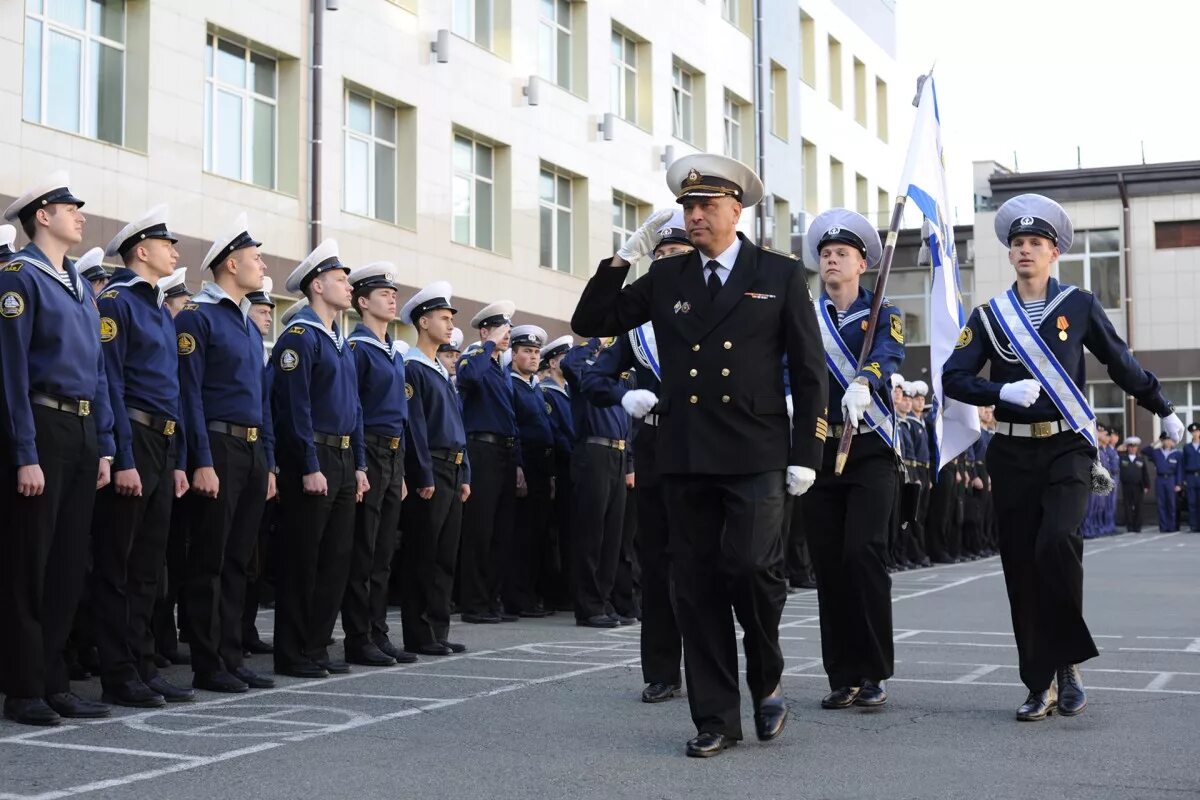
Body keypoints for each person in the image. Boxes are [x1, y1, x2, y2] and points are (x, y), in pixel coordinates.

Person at [571, 153, 828, 757]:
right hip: (685, 454)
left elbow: (810, 370)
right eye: (687, 207)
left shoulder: (780, 274)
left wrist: (807, 452)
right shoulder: (668, 278)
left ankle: (766, 676)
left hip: (756, 451)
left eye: (706, 206)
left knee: (749, 568)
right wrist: (623, 257)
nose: (694, 216)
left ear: (736, 210)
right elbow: (590, 321)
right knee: (696, 586)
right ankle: (715, 718)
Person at [942, 193, 1184, 721]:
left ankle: (1068, 662)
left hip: (1068, 447)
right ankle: (1039, 681)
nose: (1026, 250)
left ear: (1055, 253)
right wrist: (998, 394)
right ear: (1009, 253)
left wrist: (1161, 405)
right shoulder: (989, 317)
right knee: (1021, 567)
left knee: (1056, 543)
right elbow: (953, 376)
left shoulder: (1078, 304)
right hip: (1011, 451)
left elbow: (1120, 362)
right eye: (1019, 243)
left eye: (1037, 243)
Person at [0, 172, 116, 725]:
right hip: (41, 425)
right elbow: (11, 370)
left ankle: (55, 679)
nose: (81, 215)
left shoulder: (76, 285)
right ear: (41, 216)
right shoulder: (19, 277)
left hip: (80, 430)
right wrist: (24, 451)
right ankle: (24, 688)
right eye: (72, 207)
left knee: (70, 563)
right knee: (30, 562)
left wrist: (103, 446)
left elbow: (97, 373)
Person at [91, 205, 195, 707]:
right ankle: (118, 671)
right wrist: (124, 456)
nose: (175, 251)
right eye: (166, 243)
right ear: (141, 251)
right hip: (133, 435)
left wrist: (176, 460)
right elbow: (112, 383)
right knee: (119, 562)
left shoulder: (155, 304)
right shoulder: (117, 301)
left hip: (162, 441)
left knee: (150, 566)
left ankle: (143, 663)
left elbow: (169, 388)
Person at [800, 208, 903, 710]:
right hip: (819, 447)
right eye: (826, 254)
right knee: (829, 561)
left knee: (863, 553)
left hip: (870, 446)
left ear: (863, 264)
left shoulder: (884, 310)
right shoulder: (805, 315)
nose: (832, 260)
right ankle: (842, 673)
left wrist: (866, 380)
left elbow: (890, 352)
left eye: (842, 254)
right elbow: (787, 367)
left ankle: (873, 669)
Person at [175, 213, 276, 693]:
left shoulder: (247, 325)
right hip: (217, 445)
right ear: (231, 264)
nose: (261, 265)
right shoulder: (198, 316)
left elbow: (262, 399)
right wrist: (201, 460)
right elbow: (189, 394)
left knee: (240, 560)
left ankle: (232, 655)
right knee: (210, 559)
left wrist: (269, 462)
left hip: (252, 450)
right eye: (255, 258)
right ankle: (208, 661)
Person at [272, 240, 367, 678]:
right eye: (341, 280)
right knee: (303, 558)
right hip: (315, 454)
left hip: (345, 458)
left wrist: (361, 465)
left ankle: (316, 646)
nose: (348, 287)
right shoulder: (300, 336)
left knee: (335, 559)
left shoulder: (339, 341)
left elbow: (355, 408)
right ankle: (293, 651)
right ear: (317, 285)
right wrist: (309, 464)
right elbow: (295, 408)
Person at [341, 263, 414, 666]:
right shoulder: (358, 348)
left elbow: (399, 413)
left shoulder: (392, 351)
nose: (392, 298)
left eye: (393, 293)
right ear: (362, 302)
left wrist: (400, 466)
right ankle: (359, 635)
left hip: (393, 452)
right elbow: (356, 410)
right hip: (368, 449)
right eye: (383, 294)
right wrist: (362, 463)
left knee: (384, 550)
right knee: (364, 549)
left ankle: (379, 631)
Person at [398, 282, 470, 656]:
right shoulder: (413, 367)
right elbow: (416, 427)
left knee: (445, 554)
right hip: (432, 469)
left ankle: (438, 629)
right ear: (423, 322)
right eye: (443, 318)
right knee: (423, 554)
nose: (449, 324)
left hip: (453, 469)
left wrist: (466, 474)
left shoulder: (440, 370)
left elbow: (458, 426)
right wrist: (422, 474)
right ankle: (420, 632)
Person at [560, 337, 633, 629]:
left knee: (613, 536)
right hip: (593, 451)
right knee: (592, 533)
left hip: (617, 452)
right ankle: (588, 606)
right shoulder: (585, 369)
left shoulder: (620, 376)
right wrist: (595, 340)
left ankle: (603, 600)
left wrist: (629, 462)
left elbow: (629, 420)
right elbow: (569, 362)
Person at [456, 301, 520, 623]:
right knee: (480, 530)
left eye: (507, 329)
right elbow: (469, 379)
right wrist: (490, 343)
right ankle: (475, 603)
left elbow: (509, 416)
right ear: (484, 330)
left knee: (501, 532)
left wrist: (518, 462)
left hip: (505, 453)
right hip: (482, 450)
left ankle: (492, 599)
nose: (506, 335)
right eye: (500, 329)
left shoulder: (500, 368)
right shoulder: (474, 358)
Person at [505, 325, 558, 617]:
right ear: (514, 355)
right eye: (527, 351)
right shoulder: (511, 384)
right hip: (525, 462)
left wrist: (549, 474)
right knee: (522, 537)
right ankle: (518, 598)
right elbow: (514, 428)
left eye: (537, 352)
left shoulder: (535, 387)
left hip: (542, 466)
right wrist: (518, 466)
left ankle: (531, 595)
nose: (534, 357)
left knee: (537, 535)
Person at [538, 335, 576, 610]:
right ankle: (559, 592)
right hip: (563, 466)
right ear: (552, 362)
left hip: (577, 466)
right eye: (565, 357)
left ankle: (570, 589)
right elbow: (557, 433)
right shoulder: (548, 392)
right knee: (562, 532)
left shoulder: (571, 391)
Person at [1148, 432, 1181, 532]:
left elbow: (1180, 470)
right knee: (1161, 504)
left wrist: (1179, 484)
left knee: (1171, 504)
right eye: (1165, 440)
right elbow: (1146, 450)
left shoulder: (1177, 454)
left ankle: (1171, 526)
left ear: (1173, 442)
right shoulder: (1157, 452)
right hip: (1160, 479)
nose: (1167, 442)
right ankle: (1163, 526)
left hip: (1171, 479)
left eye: (1169, 440)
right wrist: (1157, 441)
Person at [1118, 436, 1150, 532]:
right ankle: (1130, 526)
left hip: (1138, 486)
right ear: (1127, 447)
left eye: (1134, 447)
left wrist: (1146, 485)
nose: (1132, 448)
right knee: (1127, 506)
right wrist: (1120, 449)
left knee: (1138, 506)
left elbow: (1145, 473)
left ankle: (1137, 526)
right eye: (1130, 446)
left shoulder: (1141, 459)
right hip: (1126, 485)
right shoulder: (1122, 458)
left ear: (1137, 448)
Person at [1179, 423, 1200, 532]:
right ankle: (1193, 526)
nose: (1195, 434)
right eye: (1193, 432)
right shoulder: (1187, 447)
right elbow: (1183, 464)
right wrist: (1183, 480)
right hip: (1191, 476)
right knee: (1192, 502)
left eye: (1197, 431)